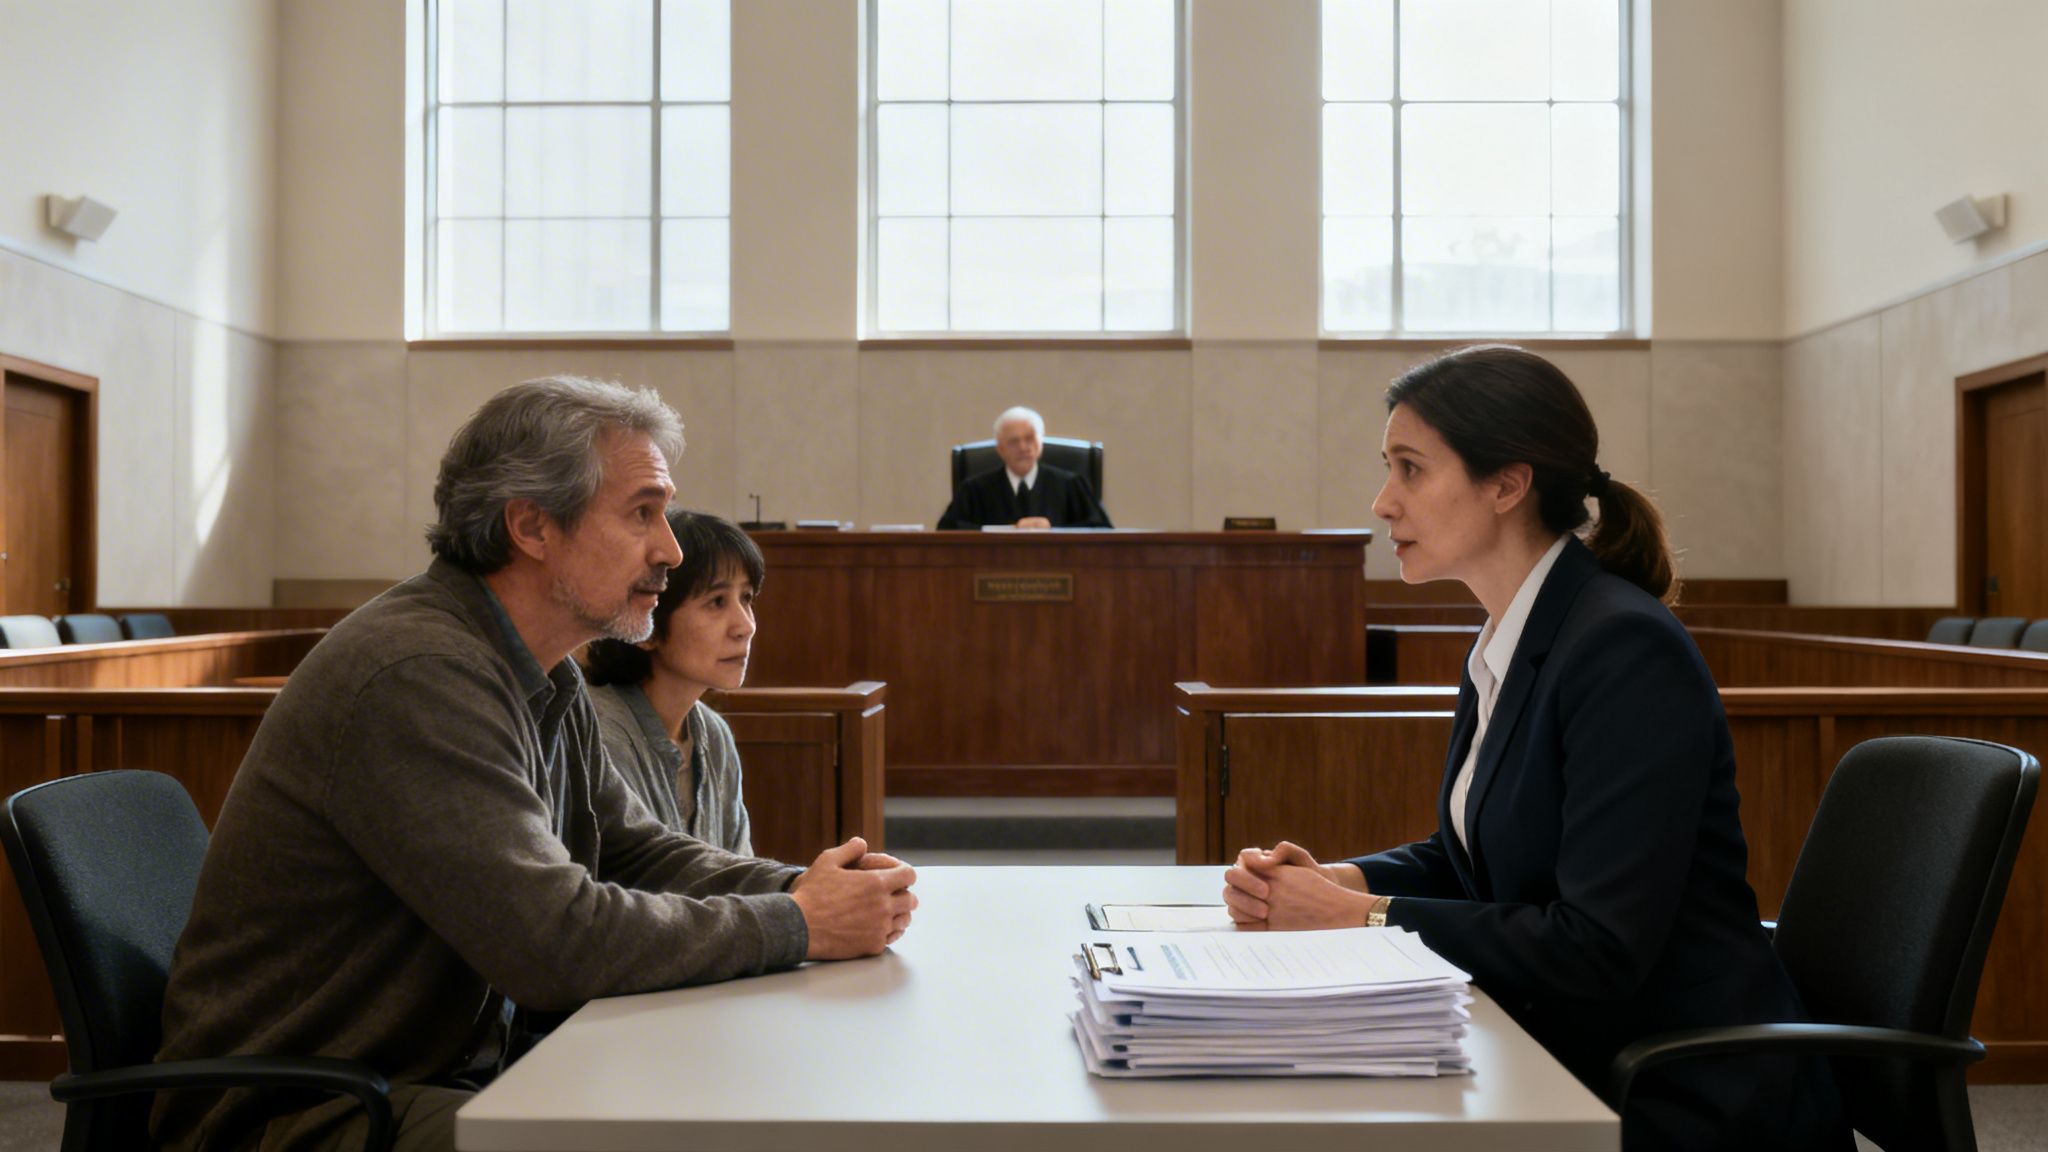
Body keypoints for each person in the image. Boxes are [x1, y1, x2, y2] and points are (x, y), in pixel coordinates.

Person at [152, 376, 917, 1152]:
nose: (671, 550)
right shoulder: (419, 672)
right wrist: (796, 923)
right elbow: (554, 945)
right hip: (300, 1112)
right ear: (532, 525)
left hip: (433, 1073)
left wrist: (802, 888)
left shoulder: (542, 669)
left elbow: (634, 850)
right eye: (641, 513)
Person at [1219, 346, 1847, 1151]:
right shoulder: (1511, 639)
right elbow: (1473, 858)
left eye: (1410, 470)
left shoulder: (1622, 649)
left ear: (1508, 485)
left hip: (1679, 1090)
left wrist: (1364, 916)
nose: (1382, 502)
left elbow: (1598, 948)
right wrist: (1345, 879)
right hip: (1568, 1046)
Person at [584, 510, 762, 853]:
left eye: (747, 598)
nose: (745, 626)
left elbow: (742, 876)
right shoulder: (599, 735)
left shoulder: (712, 733)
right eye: (717, 602)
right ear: (646, 624)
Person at [937, 406, 1111, 529]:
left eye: (1029, 439)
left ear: (1041, 442)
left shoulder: (1071, 485)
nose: (1023, 447)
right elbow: (948, 531)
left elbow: (1102, 530)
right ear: (1000, 449)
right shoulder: (974, 490)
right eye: (1013, 441)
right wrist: (1008, 530)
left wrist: (1053, 528)